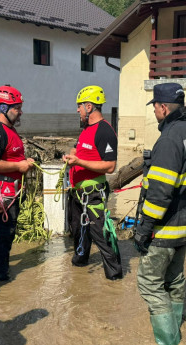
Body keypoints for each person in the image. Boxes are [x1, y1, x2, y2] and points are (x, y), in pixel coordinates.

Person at [134, 83, 186, 345]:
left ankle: (168, 344)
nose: (154, 111)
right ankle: (175, 328)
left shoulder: (168, 139)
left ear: (163, 107)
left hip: (167, 225)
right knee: (174, 279)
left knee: (149, 283)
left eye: (154, 107)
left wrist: (143, 229)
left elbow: (160, 193)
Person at [64, 85, 122, 280]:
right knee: (77, 230)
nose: (77, 110)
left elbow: (110, 166)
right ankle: (79, 268)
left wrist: (79, 162)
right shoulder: (86, 129)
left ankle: (114, 276)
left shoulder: (105, 131)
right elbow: (80, 151)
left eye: (79, 106)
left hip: (93, 194)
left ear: (88, 107)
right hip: (77, 193)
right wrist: (73, 155)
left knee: (99, 234)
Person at [0, 85, 35, 281]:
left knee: (9, 233)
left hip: (12, 191)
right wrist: (19, 166)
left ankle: (2, 271)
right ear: (4, 108)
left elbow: (12, 158)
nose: (20, 112)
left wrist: (24, 162)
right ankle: (0, 276)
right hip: (2, 193)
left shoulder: (9, 130)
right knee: (4, 234)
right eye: (17, 108)